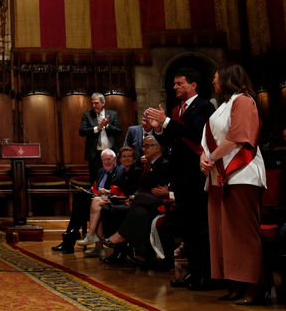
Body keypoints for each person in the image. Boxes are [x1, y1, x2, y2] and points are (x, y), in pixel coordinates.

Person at [200, 63, 266, 304]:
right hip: (219, 176)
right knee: (224, 234)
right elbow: (206, 139)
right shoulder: (223, 106)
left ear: (228, 78)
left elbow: (239, 137)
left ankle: (254, 285)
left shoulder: (244, 101)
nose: (214, 82)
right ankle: (235, 283)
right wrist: (203, 157)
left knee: (242, 233)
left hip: (242, 173)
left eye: (216, 78)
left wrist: (212, 157)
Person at [145, 68, 217, 290]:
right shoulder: (177, 110)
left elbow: (196, 134)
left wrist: (166, 121)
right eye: (174, 84)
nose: (174, 87)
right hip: (180, 175)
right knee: (188, 228)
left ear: (193, 85)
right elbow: (171, 140)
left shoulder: (205, 106)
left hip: (197, 174)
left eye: (179, 83)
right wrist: (158, 129)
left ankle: (207, 275)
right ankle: (193, 273)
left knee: (201, 227)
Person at [101, 135, 171, 267]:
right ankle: (125, 252)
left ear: (157, 147)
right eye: (143, 146)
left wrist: (135, 198)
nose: (143, 149)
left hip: (162, 203)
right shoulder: (149, 164)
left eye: (147, 146)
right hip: (144, 205)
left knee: (131, 204)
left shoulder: (164, 163)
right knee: (115, 209)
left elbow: (161, 188)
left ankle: (120, 240)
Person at [53, 149, 123, 254]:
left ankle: (70, 238)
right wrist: (88, 191)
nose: (106, 162)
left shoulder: (120, 171)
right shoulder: (101, 171)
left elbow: (119, 190)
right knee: (79, 197)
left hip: (107, 201)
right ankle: (72, 237)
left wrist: (106, 192)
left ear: (115, 159)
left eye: (109, 159)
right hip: (95, 200)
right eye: (104, 160)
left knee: (79, 205)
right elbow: (95, 187)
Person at [77, 146, 141, 255]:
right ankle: (94, 240)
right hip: (119, 199)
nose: (127, 159)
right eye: (124, 156)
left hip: (130, 201)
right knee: (98, 203)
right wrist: (110, 194)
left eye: (130, 156)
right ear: (120, 159)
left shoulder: (136, 170)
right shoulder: (122, 171)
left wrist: (130, 197)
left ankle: (92, 235)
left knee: (99, 203)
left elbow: (138, 189)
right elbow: (116, 190)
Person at [79, 93, 122, 183]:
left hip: (111, 153)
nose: (94, 106)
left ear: (103, 103)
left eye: (96, 103)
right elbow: (82, 132)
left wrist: (107, 125)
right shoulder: (87, 115)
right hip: (95, 155)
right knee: (95, 180)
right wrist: (97, 128)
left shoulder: (112, 114)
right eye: (92, 103)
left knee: (113, 179)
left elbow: (119, 131)